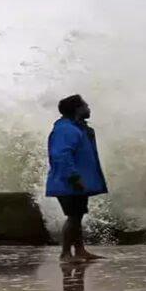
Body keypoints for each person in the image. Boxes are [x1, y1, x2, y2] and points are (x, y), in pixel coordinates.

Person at [46, 94, 108, 262]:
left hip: (75, 181)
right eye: (85, 105)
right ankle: (66, 254)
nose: (88, 108)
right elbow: (61, 155)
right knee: (73, 217)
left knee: (77, 216)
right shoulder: (67, 129)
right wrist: (74, 177)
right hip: (69, 182)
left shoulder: (77, 128)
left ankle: (80, 251)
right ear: (77, 109)